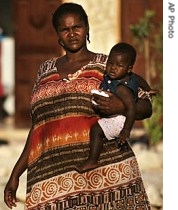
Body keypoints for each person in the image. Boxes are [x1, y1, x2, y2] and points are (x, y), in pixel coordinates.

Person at [4, 2, 152, 209]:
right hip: (52, 182)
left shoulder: (107, 66)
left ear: (87, 28)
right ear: (57, 33)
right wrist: (15, 175)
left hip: (104, 178)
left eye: (77, 27)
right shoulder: (45, 70)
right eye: (65, 29)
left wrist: (120, 106)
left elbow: (146, 105)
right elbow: (38, 128)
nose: (72, 34)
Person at [76, 42, 157, 173]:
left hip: (120, 121)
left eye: (119, 66)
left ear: (129, 68)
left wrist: (126, 131)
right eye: (110, 63)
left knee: (96, 131)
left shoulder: (121, 88)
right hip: (119, 119)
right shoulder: (120, 77)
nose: (113, 68)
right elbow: (138, 78)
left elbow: (131, 109)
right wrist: (148, 89)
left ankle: (92, 160)